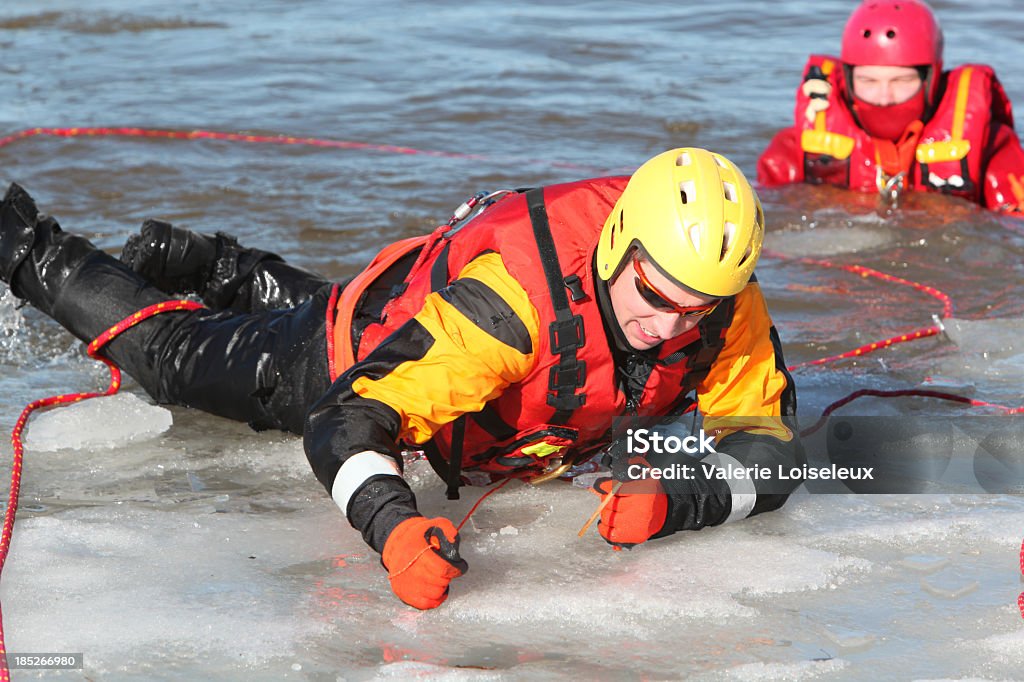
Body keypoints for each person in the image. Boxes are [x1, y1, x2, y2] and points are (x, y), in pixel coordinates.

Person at [0, 147, 800, 610]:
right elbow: (342, 420)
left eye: (697, 312)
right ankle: (25, 247)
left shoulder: (723, 307)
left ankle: (210, 262)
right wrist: (392, 527)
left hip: (409, 308)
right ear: (622, 244)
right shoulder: (511, 313)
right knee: (172, 361)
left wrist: (681, 503)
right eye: (656, 298)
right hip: (339, 353)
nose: (671, 327)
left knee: (334, 307)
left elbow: (775, 447)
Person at [758, 0, 1024, 212]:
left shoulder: (993, 146)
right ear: (847, 80)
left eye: (901, 80)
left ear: (931, 79)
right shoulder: (793, 150)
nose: (884, 97)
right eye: (868, 81)